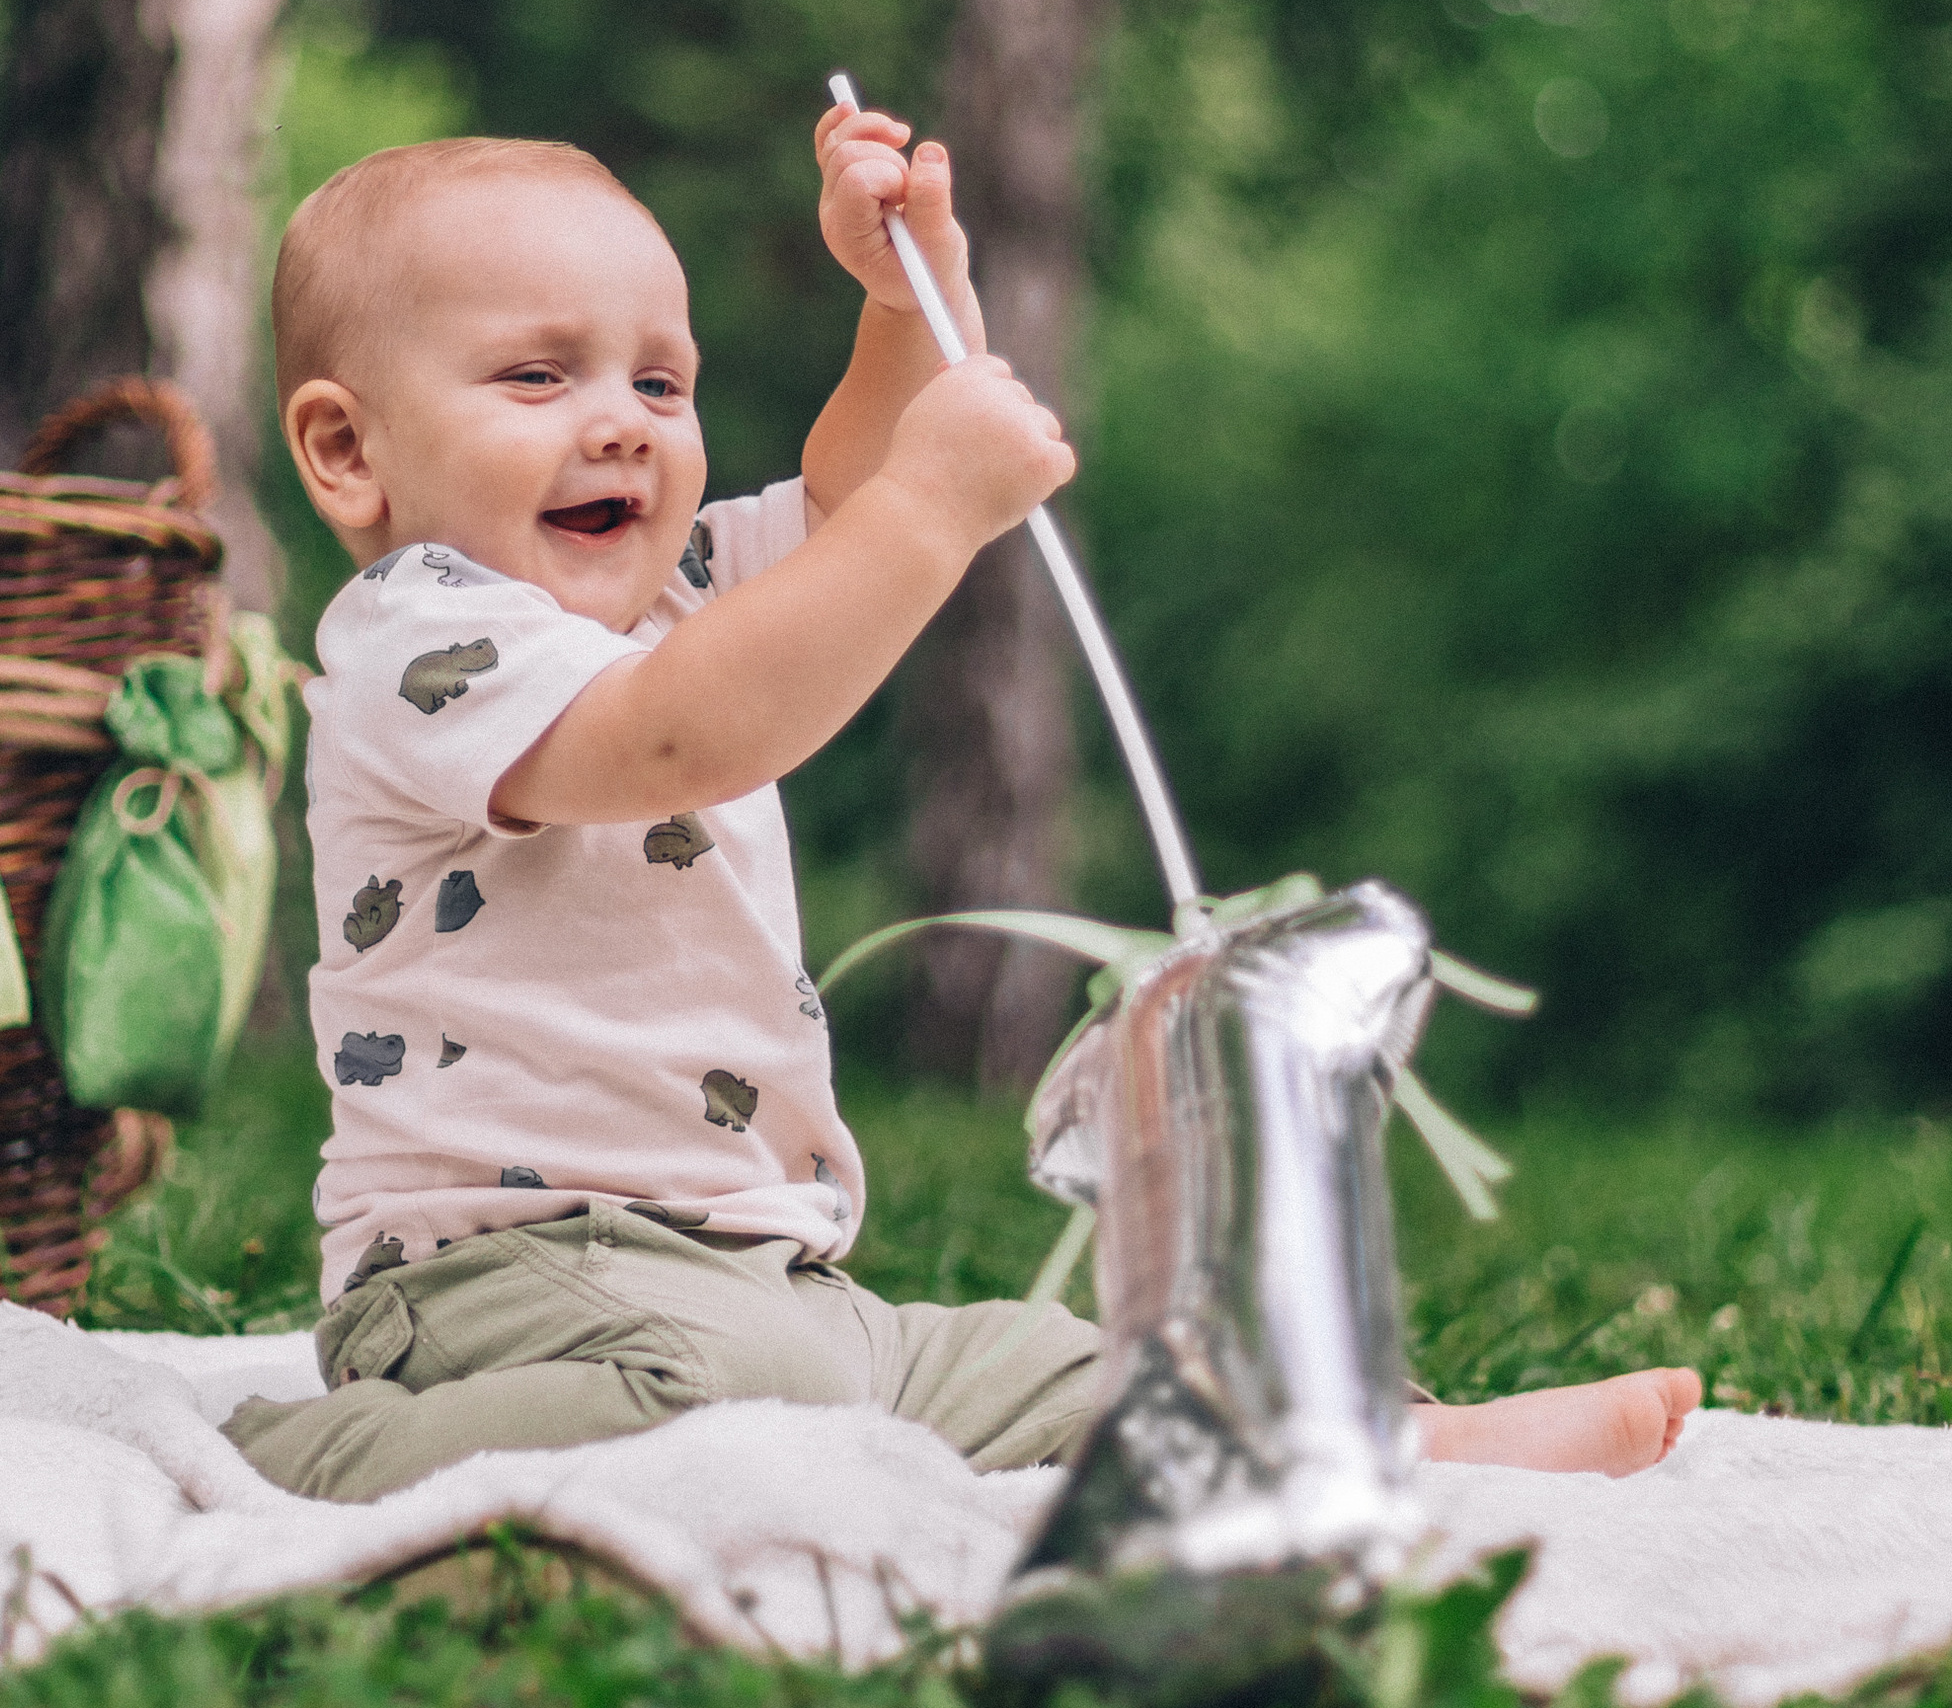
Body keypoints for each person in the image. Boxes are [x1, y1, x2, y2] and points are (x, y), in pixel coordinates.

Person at [222, 107, 1701, 1503]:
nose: (622, 424)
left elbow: (852, 494)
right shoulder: (419, 639)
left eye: (659, 382)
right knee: (720, 1401)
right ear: (350, 451)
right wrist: (933, 511)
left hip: (769, 1273)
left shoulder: (675, 592)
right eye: (539, 377)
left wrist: (899, 303)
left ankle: (1391, 1435)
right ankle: (342, 1450)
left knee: (1064, 1362)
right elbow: (680, 738)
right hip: (502, 1283)